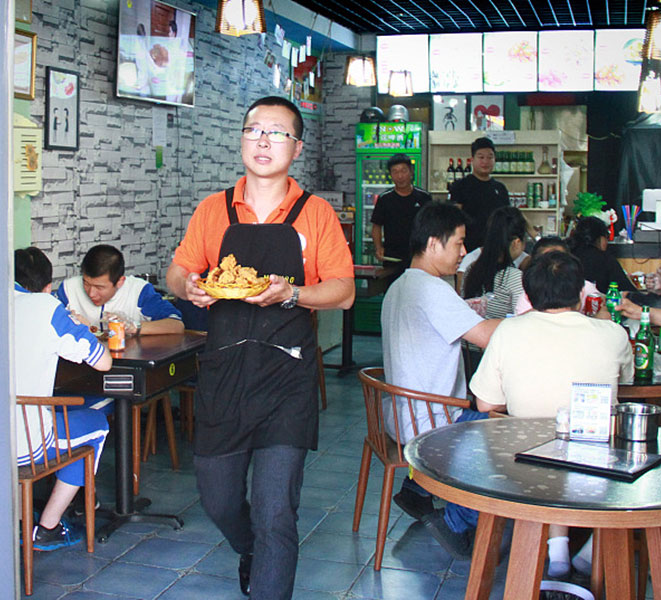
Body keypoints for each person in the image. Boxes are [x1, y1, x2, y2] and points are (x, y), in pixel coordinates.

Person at [166, 96, 354, 600]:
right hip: (224, 373)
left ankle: (268, 566)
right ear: (242, 139)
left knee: (276, 512)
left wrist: (292, 293)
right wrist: (189, 286)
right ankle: (251, 549)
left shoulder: (316, 214)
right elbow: (178, 270)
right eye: (254, 130)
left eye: (276, 132)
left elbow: (343, 291)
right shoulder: (214, 209)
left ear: (296, 147)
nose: (263, 140)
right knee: (218, 498)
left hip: (285, 378)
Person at [471, 251, 633, 578]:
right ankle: (591, 549)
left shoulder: (508, 331)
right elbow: (626, 382)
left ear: (529, 295)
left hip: (522, 464)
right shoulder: (613, 333)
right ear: (581, 292)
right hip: (595, 466)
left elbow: (485, 404)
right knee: (596, 439)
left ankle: (558, 550)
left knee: (550, 442)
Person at [380, 202, 500, 559]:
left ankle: (417, 490)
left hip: (401, 412)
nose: (463, 253)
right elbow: (485, 337)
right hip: (432, 421)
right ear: (433, 243)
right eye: (459, 243)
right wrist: (533, 319)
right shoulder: (432, 289)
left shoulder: (401, 285)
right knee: (501, 428)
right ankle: (457, 522)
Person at [13, 247, 113, 550]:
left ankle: (18, 519)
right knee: (96, 423)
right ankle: (48, 527)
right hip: (25, 447)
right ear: (47, 288)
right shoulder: (47, 307)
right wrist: (80, 326)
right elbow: (104, 362)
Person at [55, 244, 183, 336]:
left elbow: (176, 325)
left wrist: (133, 326)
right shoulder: (68, 289)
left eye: (100, 287)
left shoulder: (138, 291)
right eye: (86, 283)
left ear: (120, 282)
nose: (91, 293)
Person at [514, 236, 604, 317]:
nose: (553, 263)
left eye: (560, 260)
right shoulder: (526, 295)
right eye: (546, 261)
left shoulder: (586, 288)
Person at [370, 153, 431, 269]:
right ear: (390, 175)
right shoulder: (384, 199)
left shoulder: (424, 197)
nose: (400, 176)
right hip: (392, 256)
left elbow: (432, 225)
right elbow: (376, 226)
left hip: (418, 255)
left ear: (411, 172)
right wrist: (378, 247)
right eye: (395, 172)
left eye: (404, 171)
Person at [448, 137, 509, 253]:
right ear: (472, 160)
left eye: (490, 157)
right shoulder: (460, 186)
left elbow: (507, 217)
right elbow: (454, 219)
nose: (485, 162)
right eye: (481, 157)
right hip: (468, 249)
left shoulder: (500, 188)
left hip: (496, 248)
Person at [567, 216, 635, 293]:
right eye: (607, 238)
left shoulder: (567, 255)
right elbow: (629, 292)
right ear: (601, 238)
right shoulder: (606, 260)